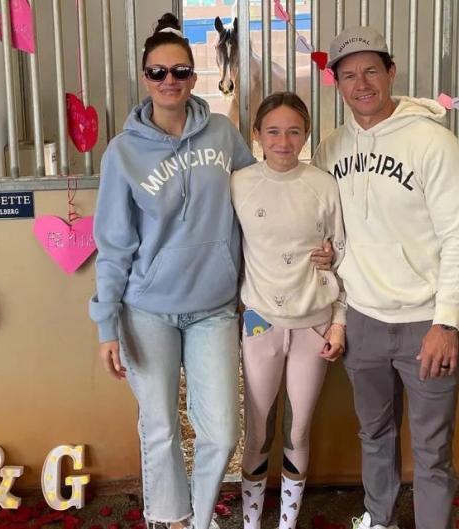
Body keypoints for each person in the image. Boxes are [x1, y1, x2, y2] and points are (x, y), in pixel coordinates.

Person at [89, 13, 256, 529]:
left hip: (213, 307)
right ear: (144, 78)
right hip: (147, 311)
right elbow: (113, 244)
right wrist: (106, 323)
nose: (169, 82)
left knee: (223, 432)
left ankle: (202, 519)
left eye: (179, 72)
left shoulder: (223, 134)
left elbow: (258, 204)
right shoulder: (123, 152)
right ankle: (172, 519)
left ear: (192, 77)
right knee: (159, 427)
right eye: (158, 73)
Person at [311, 26, 459, 529]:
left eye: (370, 71)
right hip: (361, 320)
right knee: (375, 433)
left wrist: (446, 322)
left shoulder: (435, 142)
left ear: (391, 73)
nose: (361, 84)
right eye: (348, 75)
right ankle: (378, 518)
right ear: (335, 84)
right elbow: (328, 233)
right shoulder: (329, 149)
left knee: (431, 448)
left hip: (425, 323)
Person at [231, 92, 346, 529]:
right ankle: (250, 521)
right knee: (258, 429)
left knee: (298, 429)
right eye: (273, 131)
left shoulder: (323, 184)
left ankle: (287, 523)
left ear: (306, 134)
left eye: (294, 131)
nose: (283, 141)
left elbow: (344, 254)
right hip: (260, 322)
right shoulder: (239, 183)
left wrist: (339, 322)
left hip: (314, 324)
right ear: (257, 134)